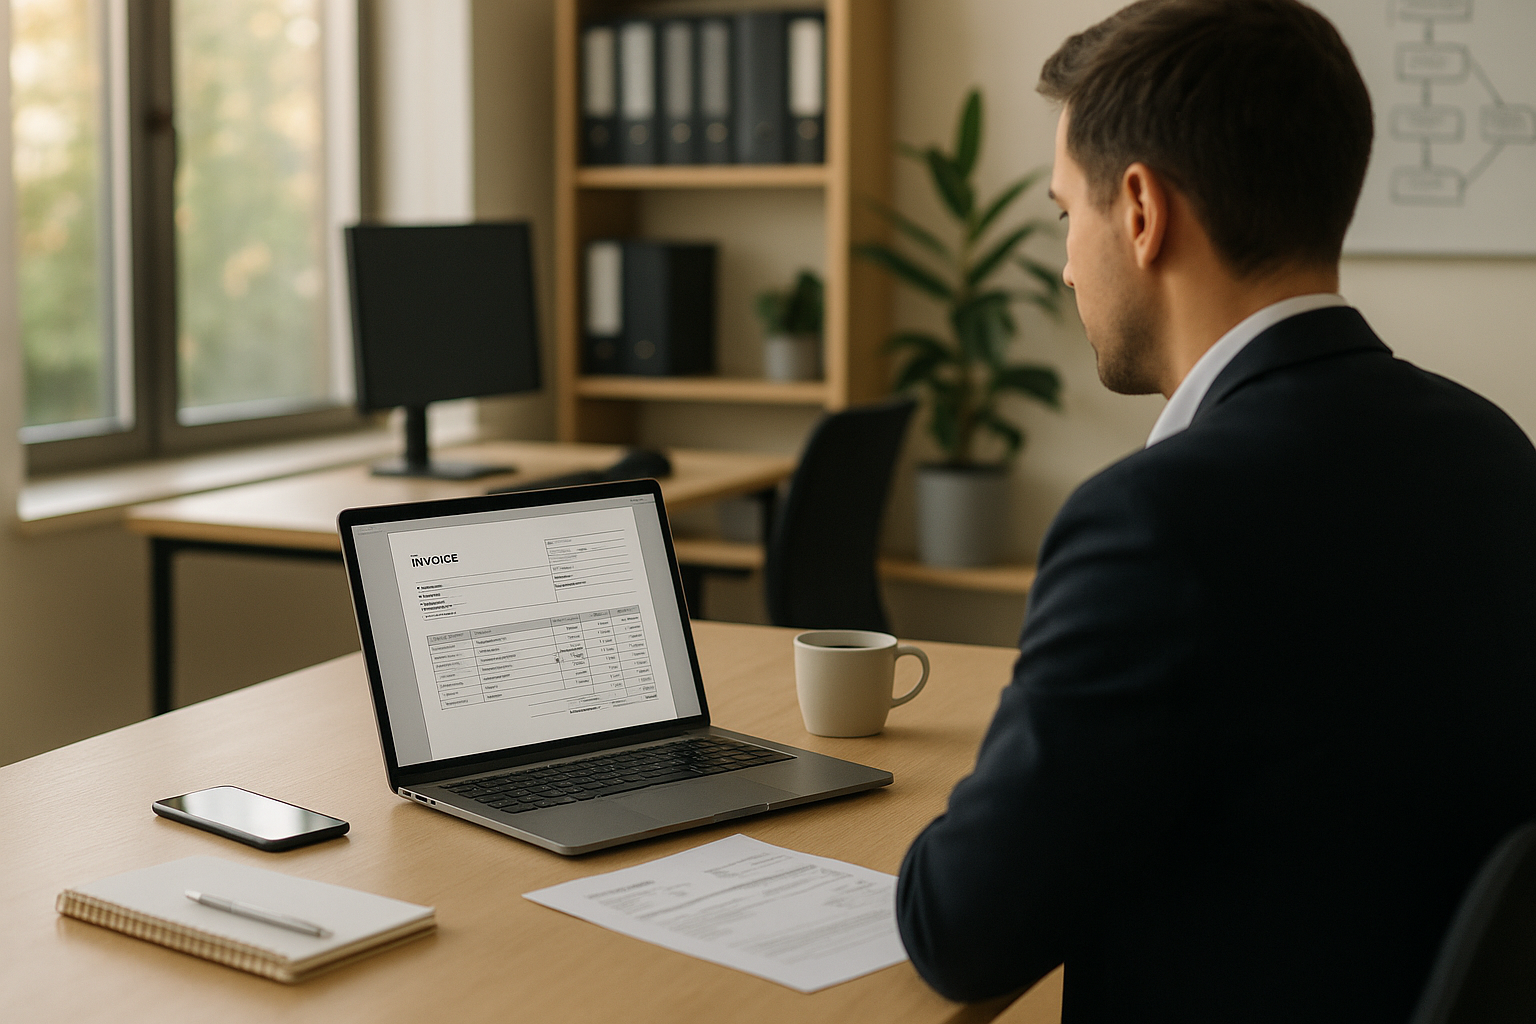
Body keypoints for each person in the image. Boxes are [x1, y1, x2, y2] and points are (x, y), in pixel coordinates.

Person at [894, 1, 1536, 1021]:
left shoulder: (1153, 523)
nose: (1066, 265)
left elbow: (961, 928)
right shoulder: (1495, 448)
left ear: (1140, 211)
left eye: (1066, 217)